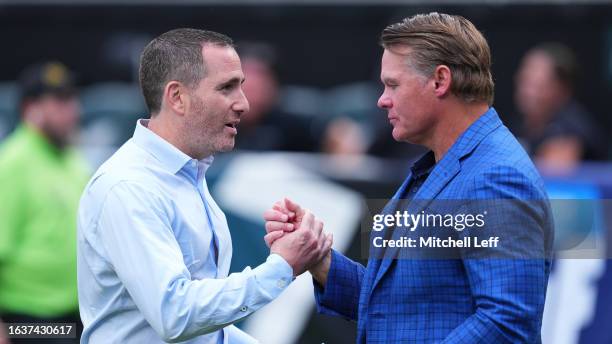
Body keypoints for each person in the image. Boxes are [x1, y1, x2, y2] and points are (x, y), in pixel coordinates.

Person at [264, 13, 553, 343]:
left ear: (440, 81)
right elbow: (402, 308)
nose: (382, 99)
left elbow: (507, 325)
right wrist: (320, 259)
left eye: (393, 84)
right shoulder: (445, 165)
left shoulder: (495, 177)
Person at [76, 28, 331, 344]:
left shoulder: (186, 175)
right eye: (227, 88)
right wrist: (281, 267)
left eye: (241, 87)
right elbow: (176, 315)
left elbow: (205, 333)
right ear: (177, 97)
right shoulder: (129, 186)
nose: (243, 104)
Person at [0, 62, 89, 343]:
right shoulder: (12, 163)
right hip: (26, 321)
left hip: (74, 314)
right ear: (30, 108)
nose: (73, 110)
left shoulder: (73, 161)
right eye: (60, 101)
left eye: (73, 99)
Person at [514, 42, 606, 167]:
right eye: (525, 81)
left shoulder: (571, 129)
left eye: (539, 86)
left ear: (562, 89)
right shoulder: (522, 125)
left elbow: (551, 178)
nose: (528, 92)